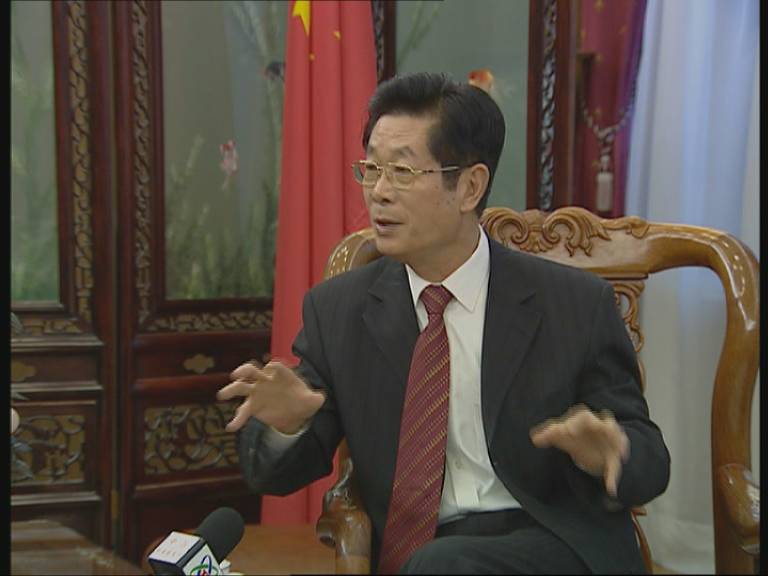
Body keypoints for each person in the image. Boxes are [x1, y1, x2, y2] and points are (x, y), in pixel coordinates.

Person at [217, 72, 670, 574]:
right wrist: (290, 424)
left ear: (470, 187)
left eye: (402, 172)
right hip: (423, 554)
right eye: (371, 169)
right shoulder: (340, 312)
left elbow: (651, 460)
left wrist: (612, 452)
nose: (379, 192)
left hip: (551, 543)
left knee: (443, 564)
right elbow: (274, 474)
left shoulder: (573, 303)